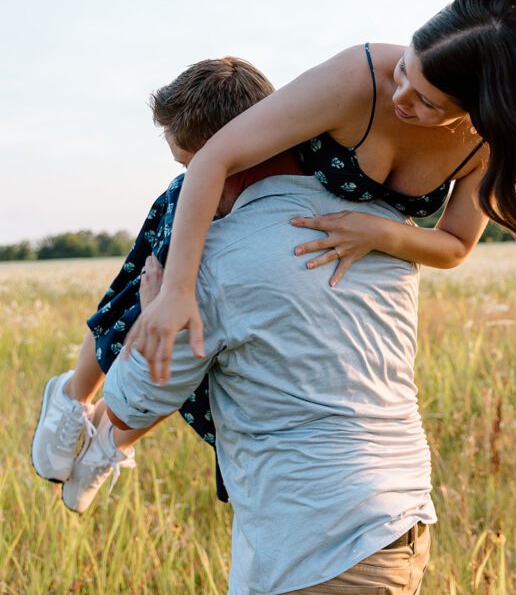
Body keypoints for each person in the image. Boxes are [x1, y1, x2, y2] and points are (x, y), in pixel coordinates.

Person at [126, 0, 516, 381]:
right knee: (141, 315)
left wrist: (381, 233)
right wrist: (176, 290)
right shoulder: (356, 75)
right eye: (404, 72)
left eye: (426, 102)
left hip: (333, 286)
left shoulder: (484, 147)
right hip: (229, 203)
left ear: (479, 111)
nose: (400, 98)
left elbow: (457, 245)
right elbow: (209, 160)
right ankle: (82, 410)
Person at [103, 165, 435, 595]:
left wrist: (155, 314)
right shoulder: (385, 220)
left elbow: (128, 408)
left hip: (312, 549)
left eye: (192, 167)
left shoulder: (215, 258)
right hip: (401, 525)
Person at [32, 56, 276, 509]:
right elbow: (132, 287)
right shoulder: (183, 192)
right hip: (177, 263)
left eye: (194, 164)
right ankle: (74, 397)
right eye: (184, 164)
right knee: (155, 284)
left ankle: (111, 436)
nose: (190, 176)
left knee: (196, 349)